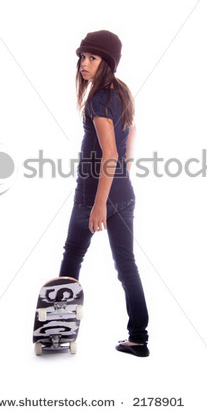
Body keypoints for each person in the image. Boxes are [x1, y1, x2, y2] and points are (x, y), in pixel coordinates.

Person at [59, 30, 149, 357]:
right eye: (82, 57)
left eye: (92, 58)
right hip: (124, 193)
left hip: (92, 196)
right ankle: (138, 338)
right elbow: (132, 132)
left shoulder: (98, 99)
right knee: (127, 265)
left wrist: (98, 206)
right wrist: (126, 167)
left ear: (106, 63)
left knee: (72, 254)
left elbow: (108, 155)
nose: (84, 63)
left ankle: (58, 330)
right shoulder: (120, 91)